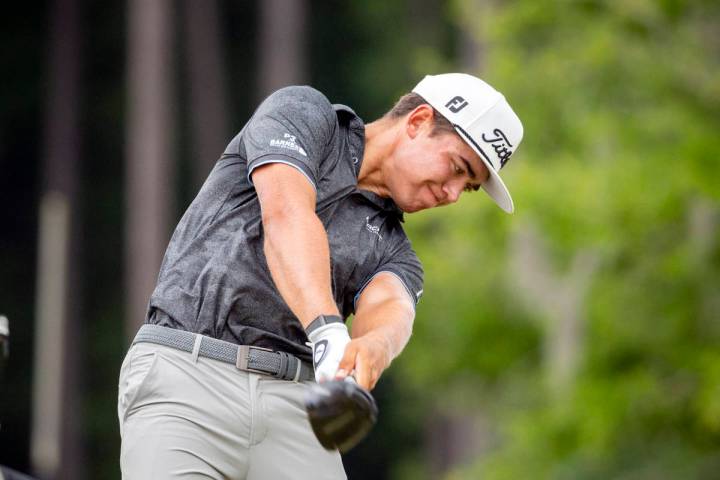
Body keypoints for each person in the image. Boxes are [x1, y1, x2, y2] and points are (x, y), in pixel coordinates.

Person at [117, 73, 523, 479]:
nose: (451, 194)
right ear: (417, 121)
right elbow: (287, 214)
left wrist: (372, 349)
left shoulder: (396, 250)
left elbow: (391, 305)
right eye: (456, 168)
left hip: (297, 407)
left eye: (466, 187)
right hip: (187, 376)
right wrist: (328, 331)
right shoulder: (305, 116)